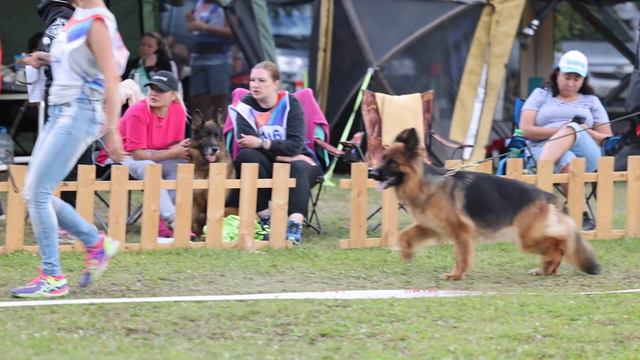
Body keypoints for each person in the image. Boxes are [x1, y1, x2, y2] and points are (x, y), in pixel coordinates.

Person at [11, 0, 128, 298]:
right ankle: (95, 243)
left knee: (37, 193)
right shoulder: (80, 15)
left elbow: (111, 80)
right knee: (34, 192)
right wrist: (46, 58)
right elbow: (79, 62)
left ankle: (53, 277)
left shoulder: (98, 22)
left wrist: (113, 130)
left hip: (79, 112)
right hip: (61, 110)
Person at [227, 61, 323, 245]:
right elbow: (247, 144)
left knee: (298, 165)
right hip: (272, 164)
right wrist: (281, 153)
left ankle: (294, 225)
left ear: (275, 83)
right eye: (252, 80)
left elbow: (295, 145)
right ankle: (266, 220)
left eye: (262, 80)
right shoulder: (244, 107)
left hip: (301, 165)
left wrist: (262, 143)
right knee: (247, 157)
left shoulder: (290, 104)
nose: (255, 85)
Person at [520, 50, 612, 230]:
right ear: (557, 74)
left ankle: (540, 179)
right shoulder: (540, 95)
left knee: (572, 128)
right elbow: (525, 130)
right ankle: (582, 215)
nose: (570, 83)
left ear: (584, 80)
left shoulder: (592, 101)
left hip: (587, 154)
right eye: (566, 77)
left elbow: (606, 138)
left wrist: (582, 130)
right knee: (567, 158)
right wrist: (560, 130)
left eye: (576, 79)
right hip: (541, 148)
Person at [116, 71, 190, 238]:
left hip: (153, 155)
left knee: (181, 166)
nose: (154, 93)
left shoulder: (178, 111)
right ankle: (172, 219)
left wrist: (180, 149)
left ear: (173, 96)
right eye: (152, 88)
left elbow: (173, 146)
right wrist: (173, 152)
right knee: (150, 167)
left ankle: (160, 221)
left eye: (160, 90)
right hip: (125, 156)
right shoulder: (138, 111)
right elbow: (137, 155)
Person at [185, 0, 233, 122]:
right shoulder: (197, 4)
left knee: (219, 99)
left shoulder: (225, 5)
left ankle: (221, 132)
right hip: (197, 57)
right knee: (199, 98)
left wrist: (205, 27)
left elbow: (231, 32)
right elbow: (192, 27)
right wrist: (191, 23)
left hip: (218, 58)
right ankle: (204, 131)